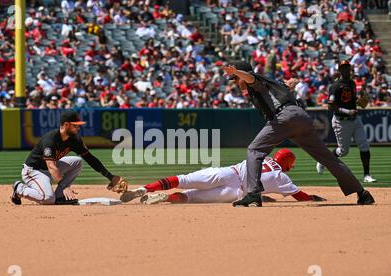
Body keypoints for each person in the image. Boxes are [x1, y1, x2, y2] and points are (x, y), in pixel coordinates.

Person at [222, 61, 374, 207]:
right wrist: (291, 84)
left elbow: (250, 77)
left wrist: (237, 72)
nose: (235, 81)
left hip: (284, 118)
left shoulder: (253, 80)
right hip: (301, 118)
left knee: (254, 150)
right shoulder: (272, 84)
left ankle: (253, 194)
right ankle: (362, 194)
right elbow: (286, 86)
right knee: (328, 158)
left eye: (235, 78)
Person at [120, 149, 326, 205]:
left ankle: (145, 189)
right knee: (189, 197)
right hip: (235, 192)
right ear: (288, 163)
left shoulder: (262, 157)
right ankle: (165, 198)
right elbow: (299, 195)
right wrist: (313, 198)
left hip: (228, 172)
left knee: (182, 179)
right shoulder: (282, 177)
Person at [10, 110, 126, 205]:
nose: (78, 128)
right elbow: (51, 166)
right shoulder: (50, 139)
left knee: (78, 162)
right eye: (75, 125)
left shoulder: (74, 140)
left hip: (51, 168)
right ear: (66, 125)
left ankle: (60, 196)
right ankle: (19, 188)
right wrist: (64, 186)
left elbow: (90, 158)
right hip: (34, 171)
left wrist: (109, 176)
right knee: (48, 199)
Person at [316, 60, 376, 183]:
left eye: (347, 67)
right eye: (343, 68)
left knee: (364, 145)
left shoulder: (352, 83)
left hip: (355, 120)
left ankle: (366, 175)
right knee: (343, 151)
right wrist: (348, 111)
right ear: (340, 70)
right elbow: (331, 106)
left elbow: (352, 100)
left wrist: (360, 100)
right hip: (341, 121)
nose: (346, 70)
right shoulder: (335, 86)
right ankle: (323, 160)